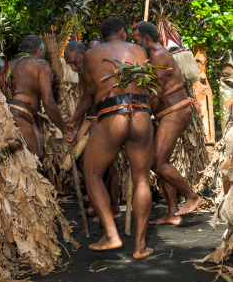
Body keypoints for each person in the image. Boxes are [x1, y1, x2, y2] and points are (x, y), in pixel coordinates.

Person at [79, 17, 154, 259]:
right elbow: (151, 87)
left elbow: (90, 93)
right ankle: (140, 247)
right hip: (142, 114)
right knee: (142, 179)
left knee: (91, 173)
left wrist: (75, 118)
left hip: (113, 114)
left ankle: (111, 235)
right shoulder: (140, 50)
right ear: (123, 31)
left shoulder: (92, 53)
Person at [132, 21, 202, 225]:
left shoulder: (159, 55)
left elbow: (156, 92)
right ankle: (172, 212)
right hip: (168, 113)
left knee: (157, 162)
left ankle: (191, 196)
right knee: (162, 162)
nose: (136, 45)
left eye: (137, 41)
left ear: (146, 39)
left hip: (175, 112)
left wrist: (144, 113)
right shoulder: (154, 57)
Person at [64, 41, 121, 222]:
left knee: (105, 165)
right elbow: (87, 99)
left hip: (109, 117)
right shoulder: (83, 71)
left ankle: (112, 207)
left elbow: (110, 94)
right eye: (70, 65)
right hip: (93, 118)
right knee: (82, 159)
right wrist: (75, 120)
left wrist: (101, 119)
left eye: (75, 62)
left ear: (83, 53)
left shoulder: (100, 65)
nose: (73, 67)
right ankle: (98, 204)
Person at [9, 35, 75, 159]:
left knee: (39, 153)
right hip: (21, 114)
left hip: (8, 114)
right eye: (44, 52)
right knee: (35, 162)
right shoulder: (41, 64)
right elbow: (48, 103)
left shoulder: (10, 64)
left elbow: (36, 104)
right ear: (40, 50)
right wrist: (65, 131)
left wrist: (39, 131)